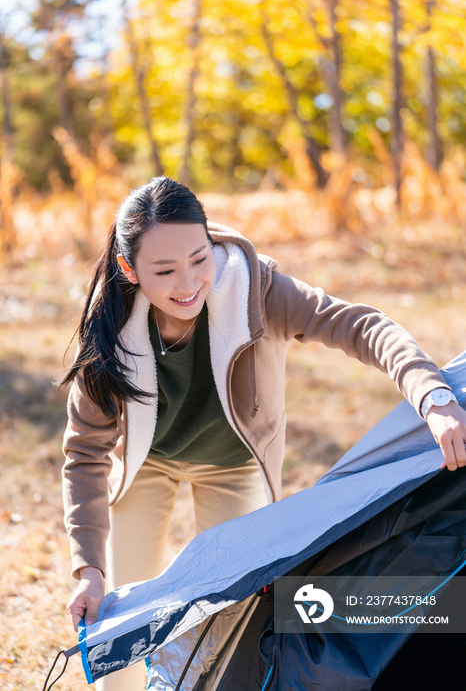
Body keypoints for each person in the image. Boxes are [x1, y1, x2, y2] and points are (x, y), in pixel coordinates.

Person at [61, 176, 466, 691]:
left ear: (210, 242)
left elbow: (363, 325)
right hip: (144, 468)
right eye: (164, 271)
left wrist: (434, 397)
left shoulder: (255, 289)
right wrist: (87, 568)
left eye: (199, 258)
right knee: (118, 629)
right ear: (130, 269)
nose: (187, 283)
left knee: (242, 619)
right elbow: (85, 455)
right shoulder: (107, 331)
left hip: (233, 464)